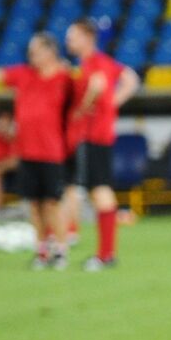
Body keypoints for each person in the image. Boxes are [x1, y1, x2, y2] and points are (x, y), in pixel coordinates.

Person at [0, 33, 72, 268]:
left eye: (36, 51)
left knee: (52, 203)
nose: (31, 56)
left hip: (52, 151)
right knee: (34, 204)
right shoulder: (24, 75)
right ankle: (41, 251)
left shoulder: (64, 77)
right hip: (27, 152)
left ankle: (60, 249)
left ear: (50, 51)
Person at [62, 18, 139, 270]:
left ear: (87, 36)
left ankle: (103, 253)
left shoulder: (93, 63)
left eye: (72, 36)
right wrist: (113, 104)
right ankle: (105, 252)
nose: (68, 41)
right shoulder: (102, 62)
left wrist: (84, 107)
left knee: (97, 191)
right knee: (94, 190)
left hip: (92, 136)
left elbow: (97, 86)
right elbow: (131, 78)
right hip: (99, 135)